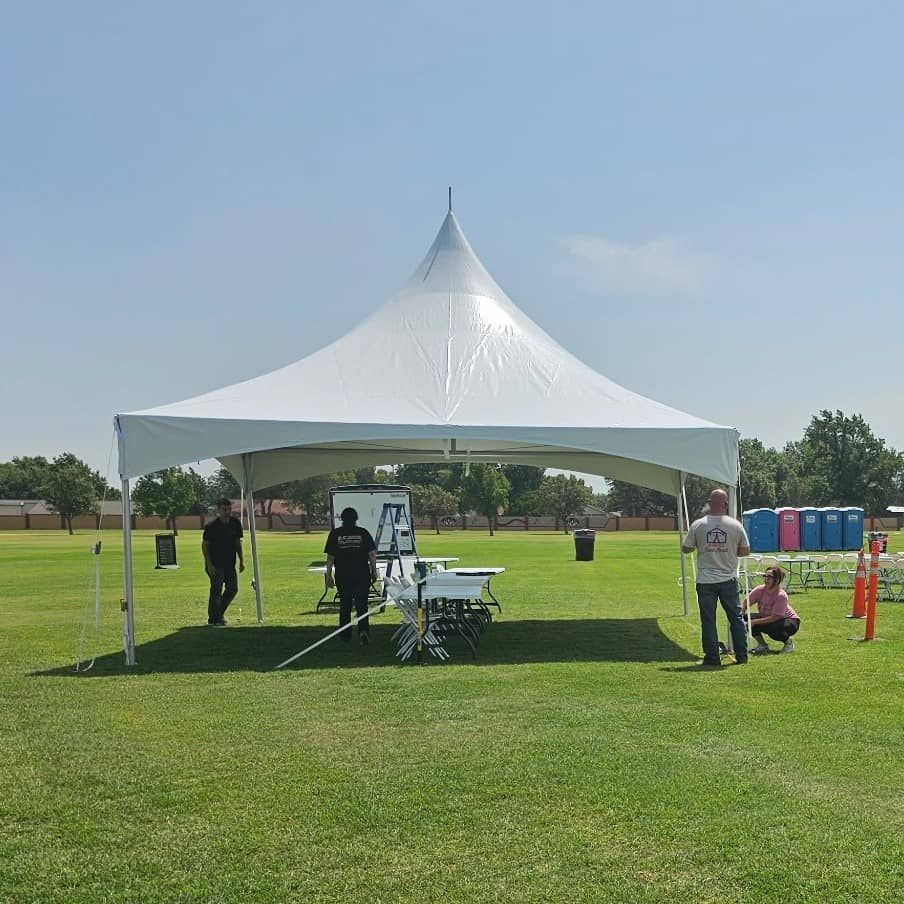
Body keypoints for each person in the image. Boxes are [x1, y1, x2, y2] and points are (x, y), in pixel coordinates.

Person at [682, 488, 751, 666]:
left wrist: (703, 546)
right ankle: (742, 656)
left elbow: (686, 548)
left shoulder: (698, 524)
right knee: (735, 618)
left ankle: (712, 657)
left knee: (708, 620)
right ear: (726, 504)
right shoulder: (735, 525)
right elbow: (745, 551)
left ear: (709, 503)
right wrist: (729, 551)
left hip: (705, 580)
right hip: (728, 579)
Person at [325, 507, 378, 646]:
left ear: (342, 519)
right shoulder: (363, 533)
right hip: (362, 574)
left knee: (345, 605)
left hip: (343, 575)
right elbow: (372, 554)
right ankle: (363, 631)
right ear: (356, 519)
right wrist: (374, 571)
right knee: (362, 605)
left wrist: (328, 575)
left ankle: (345, 635)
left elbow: (330, 557)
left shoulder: (335, 534)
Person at [201, 498, 245, 626]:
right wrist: (209, 564)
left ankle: (218, 614)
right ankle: (213, 619)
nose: (227, 512)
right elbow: (205, 545)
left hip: (230, 564)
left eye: (229, 509)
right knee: (216, 590)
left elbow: (237, 543)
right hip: (215, 564)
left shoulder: (235, 523)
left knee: (233, 589)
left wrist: (242, 560)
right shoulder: (211, 527)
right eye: (224, 509)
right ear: (218, 510)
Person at [743, 565, 800, 654]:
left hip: (789, 621)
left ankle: (788, 643)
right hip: (769, 617)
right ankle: (762, 645)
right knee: (746, 618)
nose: (766, 579)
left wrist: (754, 622)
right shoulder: (759, 590)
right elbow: (746, 603)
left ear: (777, 579)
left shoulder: (781, 595)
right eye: (765, 576)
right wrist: (741, 613)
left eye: (769, 577)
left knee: (773, 628)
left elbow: (775, 617)